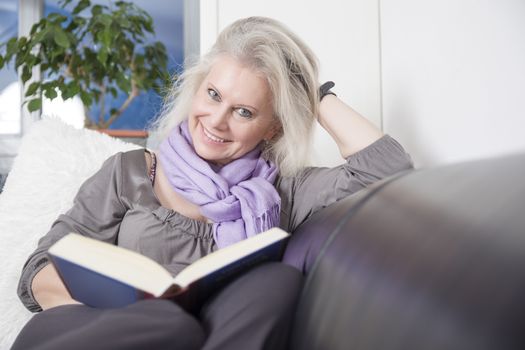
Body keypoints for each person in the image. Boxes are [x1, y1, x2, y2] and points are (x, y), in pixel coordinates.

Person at [12, 16, 413, 350]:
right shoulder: (131, 172)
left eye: (243, 110)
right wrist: (106, 313)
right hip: (86, 332)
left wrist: (311, 95)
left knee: (276, 282)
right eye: (213, 94)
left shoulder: (282, 192)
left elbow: (387, 169)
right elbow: (38, 269)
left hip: (205, 337)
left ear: (273, 127)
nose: (217, 121)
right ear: (197, 89)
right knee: (170, 324)